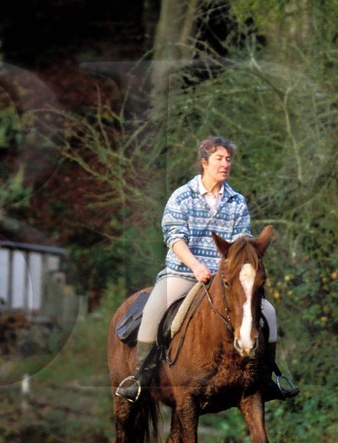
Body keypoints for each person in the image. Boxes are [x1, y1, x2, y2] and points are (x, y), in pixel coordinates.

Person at [115, 136, 298, 402]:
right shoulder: (182, 196)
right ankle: (140, 378)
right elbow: (174, 238)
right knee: (154, 308)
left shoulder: (236, 201)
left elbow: (242, 245)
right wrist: (196, 266)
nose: (225, 164)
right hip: (183, 273)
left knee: (268, 312)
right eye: (219, 159)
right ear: (204, 162)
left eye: (228, 159)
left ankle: (268, 378)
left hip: (224, 279)